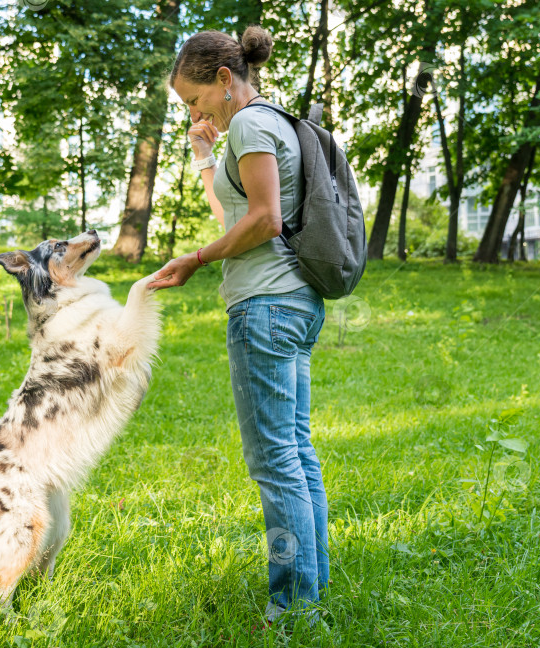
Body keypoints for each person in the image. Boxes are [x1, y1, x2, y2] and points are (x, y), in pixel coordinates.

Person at [148, 26, 329, 628]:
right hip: (296, 303)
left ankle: (294, 607)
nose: (195, 113)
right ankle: (311, 590)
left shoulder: (250, 124)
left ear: (225, 79)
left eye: (196, 102)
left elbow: (266, 221)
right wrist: (205, 156)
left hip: (265, 307)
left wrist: (195, 260)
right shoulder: (267, 124)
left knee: (275, 460)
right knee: (295, 453)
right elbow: (237, 213)